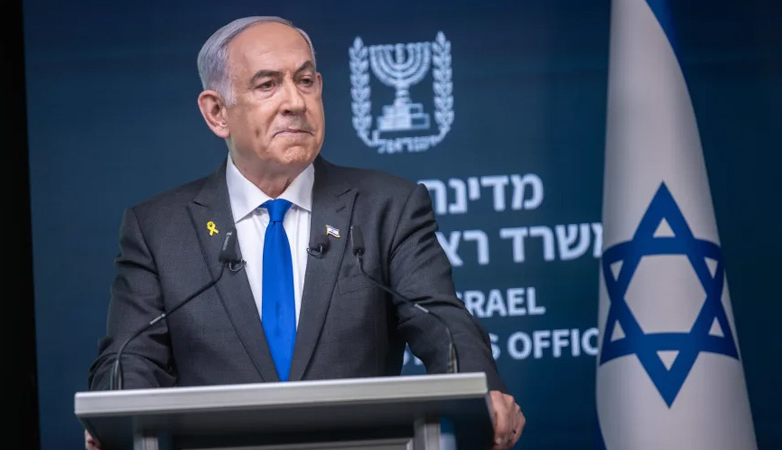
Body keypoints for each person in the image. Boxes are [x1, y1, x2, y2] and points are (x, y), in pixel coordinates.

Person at [85, 16, 525, 450]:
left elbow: (441, 321)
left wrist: (483, 388)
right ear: (217, 113)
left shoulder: (388, 207)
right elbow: (129, 357)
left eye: (306, 80)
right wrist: (117, 414)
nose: (296, 102)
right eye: (267, 85)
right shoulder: (159, 230)